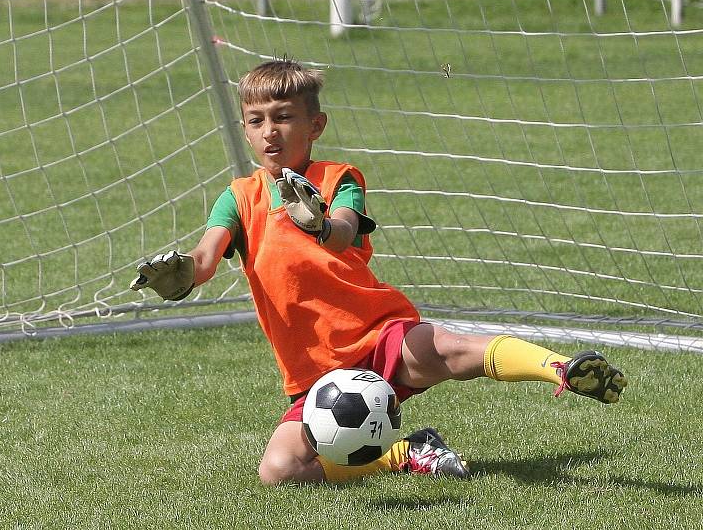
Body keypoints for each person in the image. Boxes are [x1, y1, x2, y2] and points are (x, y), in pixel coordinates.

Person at [130, 59, 628, 486]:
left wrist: (321, 226)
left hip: (376, 332)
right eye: (256, 120)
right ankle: (405, 453)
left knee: (455, 350)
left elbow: (345, 230)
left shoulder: (337, 178)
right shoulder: (239, 198)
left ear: (315, 125)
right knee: (279, 471)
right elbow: (205, 258)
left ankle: (563, 368)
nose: (269, 131)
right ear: (244, 129)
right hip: (317, 373)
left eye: (283, 118)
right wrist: (180, 274)